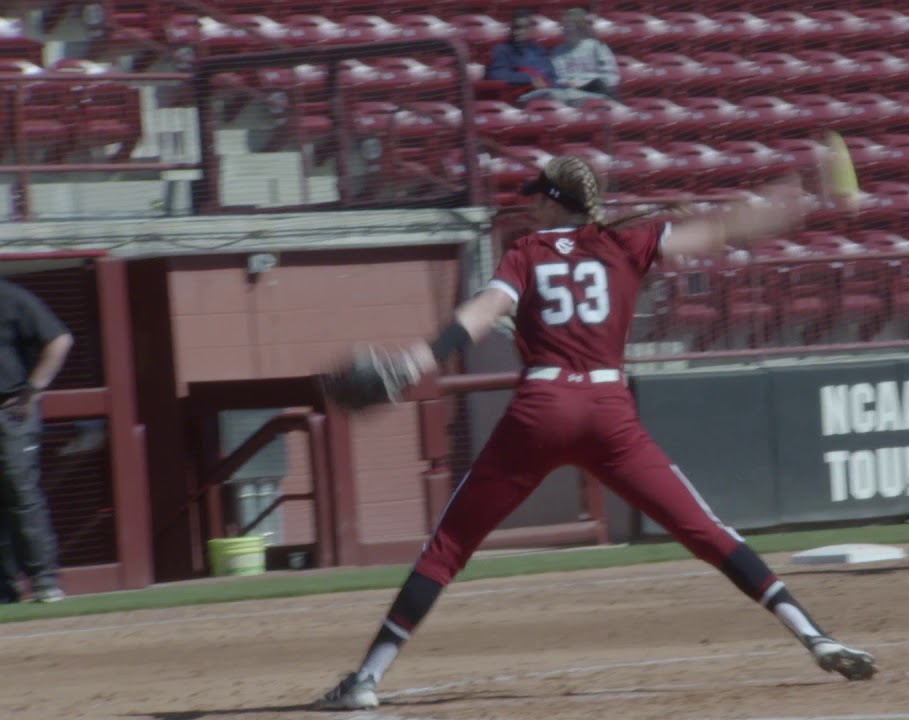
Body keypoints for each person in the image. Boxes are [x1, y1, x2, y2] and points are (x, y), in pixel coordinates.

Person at [315, 156, 877, 710]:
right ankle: (813, 634)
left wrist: (419, 359)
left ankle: (366, 679)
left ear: (554, 202)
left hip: (542, 408)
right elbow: (726, 228)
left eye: (538, 196)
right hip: (609, 411)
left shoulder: (527, 253)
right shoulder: (627, 243)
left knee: (449, 547)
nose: (530, 204)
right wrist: (800, 194)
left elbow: (481, 313)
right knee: (706, 530)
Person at [0, 278, 74, 603]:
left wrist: (33, 390)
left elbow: (58, 340)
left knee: (20, 493)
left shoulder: (11, 297)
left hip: (9, 413)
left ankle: (44, 581)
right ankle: (5, 589)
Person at [550, 7, 619, 98]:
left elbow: (610, 73)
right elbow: (558, 77)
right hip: (571, 93)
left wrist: (603, 84)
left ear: (580, 26)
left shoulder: (596, 46)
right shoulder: (559, 51)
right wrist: (567, 83)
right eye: (565, 25)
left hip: (596, 91)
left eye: (570, 25)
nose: (567, 29)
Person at [484, 10, 558, 91]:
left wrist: (551, 84)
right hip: (519, 95)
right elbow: (496, 75)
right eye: (516, 27)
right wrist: (530, 78)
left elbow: (551, 74)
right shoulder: (502, 50)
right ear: (511, 29)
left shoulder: (539, 50)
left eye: (524, 28)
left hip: (546, 93)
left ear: (530, 30)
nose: (519, 32)